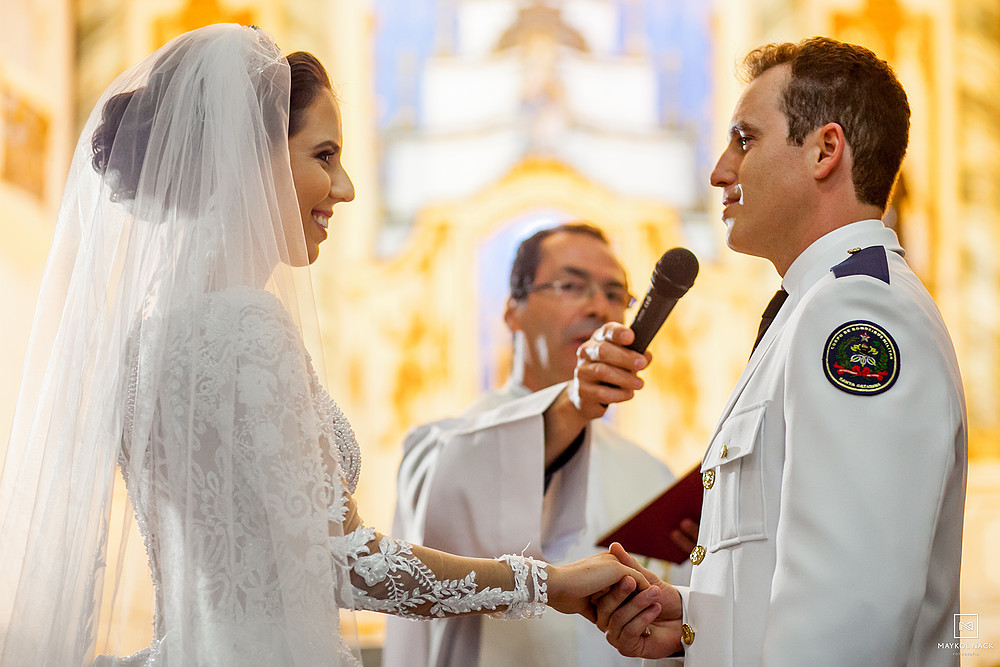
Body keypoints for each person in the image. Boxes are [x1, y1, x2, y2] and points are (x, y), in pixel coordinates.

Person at [0, 24, 653, 667]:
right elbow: (348, 562)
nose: (344, 188)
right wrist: (548, 581)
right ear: (249, 155)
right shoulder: (247, 324)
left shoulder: (146, 341)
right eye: (324, 156)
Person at [587, 36, 968, 665]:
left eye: (744, 138)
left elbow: (850, 614)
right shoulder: (813, 307)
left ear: (825, 150)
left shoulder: (858, 312)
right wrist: (698, 618)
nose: (720, 170)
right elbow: (806, 576)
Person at [384, 224, 693, 667]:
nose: (597, 306)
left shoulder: (650, 472)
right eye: (571, 285)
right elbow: (434, 536)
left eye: (614, 293)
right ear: (512, 311)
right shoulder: (443, 444)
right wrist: (570, 405)